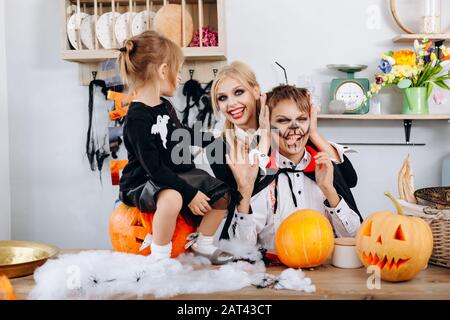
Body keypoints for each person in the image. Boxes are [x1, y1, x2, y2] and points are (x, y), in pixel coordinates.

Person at [206, 61, 359, 239]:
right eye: (222, 98)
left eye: (238, 92)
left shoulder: (286, 131)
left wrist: (313, 133)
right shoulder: (217, 146)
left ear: (256, 92)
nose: (231, 103)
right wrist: (265, 136)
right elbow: (243, 194)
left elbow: (348, 179)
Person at [117, 31, 234, 264]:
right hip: (144, 180)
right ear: (162, 71)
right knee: (172, 199)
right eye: (177, 70)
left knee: (223, 194)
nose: (180, 78)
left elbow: (180, 135)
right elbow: (154, 168)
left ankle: (203, 244)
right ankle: (159, 258)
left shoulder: (165, 106)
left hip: (172, 173)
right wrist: (189, 193)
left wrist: (210, 139)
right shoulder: (137, 118)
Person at [226, 84, 363, 253]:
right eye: (283, 120)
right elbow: (241, 248)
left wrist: (329, 191)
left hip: (324, 272)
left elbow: (354, 238)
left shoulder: (324, 168)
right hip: (275, 273)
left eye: (302, 119)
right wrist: (245, 192)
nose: (294, 128)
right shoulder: (261, 174)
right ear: (268, 124)